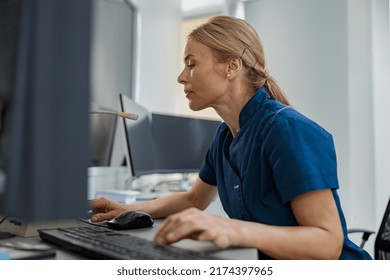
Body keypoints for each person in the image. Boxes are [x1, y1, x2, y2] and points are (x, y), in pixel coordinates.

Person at [90, 15, 372, 260]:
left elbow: (328, 244)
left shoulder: (287, 130)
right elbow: (193, 199)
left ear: (232, 67)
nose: (181, 77)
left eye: (191, 63)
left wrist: (232, 229)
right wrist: (127, 209)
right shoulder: (225, 136)